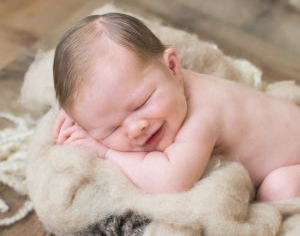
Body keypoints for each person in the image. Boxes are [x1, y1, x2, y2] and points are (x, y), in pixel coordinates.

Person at [53, 13, 300, 201]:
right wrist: (86, 115)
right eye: (111, 128)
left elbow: (171, 181)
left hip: (293, 161)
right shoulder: (156, 84)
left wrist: (104, 151)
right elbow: (107, 96)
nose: (136, 128)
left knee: (278, 190)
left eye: (142, 103)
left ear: (173, 67)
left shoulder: (204, 115)